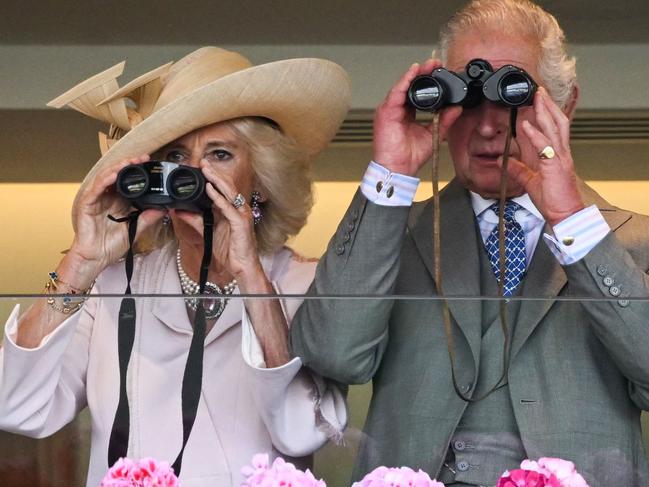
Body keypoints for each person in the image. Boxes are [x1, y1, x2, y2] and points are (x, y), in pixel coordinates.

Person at [290, 1, 649, 486]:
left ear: (564, 106)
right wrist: (390, 176)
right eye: (468, 99)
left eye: (513, 94)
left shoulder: (632, 239)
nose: (487, 126)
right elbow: (333, 354)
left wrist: (572, 222)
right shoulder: (393, 233)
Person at [0, 46, 350, 487]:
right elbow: (15, 406)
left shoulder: (304, 285)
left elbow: (302, 431)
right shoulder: (112, 287)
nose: (195, 173)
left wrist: (250, 277)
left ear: (260, 181)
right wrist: (81, 261)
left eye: (220, 154)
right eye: (177, 157)